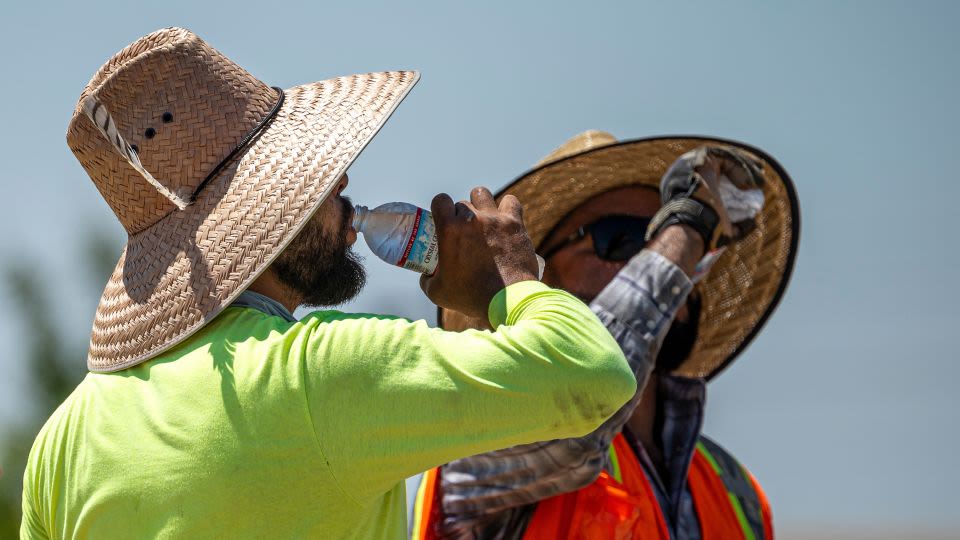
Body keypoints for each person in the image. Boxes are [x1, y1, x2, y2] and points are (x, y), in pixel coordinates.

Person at [19, 30, 644, 539]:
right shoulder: (318, 374)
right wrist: (506, 278)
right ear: (262, 211)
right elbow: (594, 375)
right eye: (315, 174)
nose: (343, 181)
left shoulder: (63, 442)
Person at [412, 131, 800, 540]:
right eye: (620, 238)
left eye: (661, 237)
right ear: (543, 282)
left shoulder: (737, 491)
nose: (662, 254)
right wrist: (690, 224)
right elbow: (577, 408)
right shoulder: (483, 434)